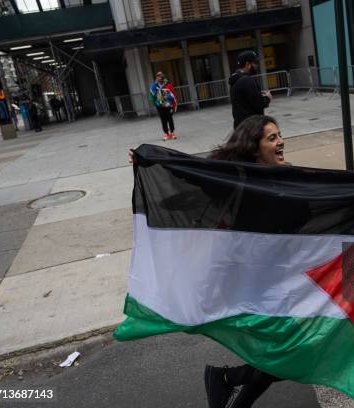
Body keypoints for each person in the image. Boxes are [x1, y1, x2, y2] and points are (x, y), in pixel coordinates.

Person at [127, 115, 285, 408]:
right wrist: (148, 158)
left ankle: (225, 381)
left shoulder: (287, 176)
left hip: (276, 280)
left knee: (280, 353)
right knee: (286, 353)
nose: (281, 142)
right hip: (249, 285)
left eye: (279, 135)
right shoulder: (236, 179)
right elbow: (190, 171)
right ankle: (226, 380)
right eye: (272, 138)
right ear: (253, 147)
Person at [229, 50, 272, 129]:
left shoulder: (235, 79)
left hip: (241, 126)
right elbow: (258, 104)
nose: (257, 66)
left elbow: (246, 101)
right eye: (255, 63)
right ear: (248, 64)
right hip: (251, 127)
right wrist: (267, 97)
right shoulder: (247, 81)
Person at [149, 71, 177, 141]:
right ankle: (166, 134)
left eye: (161, 76)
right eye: (158, 76)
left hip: (168, 105)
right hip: (159, 105)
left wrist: (173, 103)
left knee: (170, 118)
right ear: (156, 77)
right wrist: (155, 83)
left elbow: (173, 93)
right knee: (163, 119)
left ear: (163, 76)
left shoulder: (168, 84)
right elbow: (152, 93)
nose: (160, 77)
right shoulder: (154, 84)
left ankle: (172, 133)